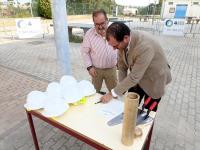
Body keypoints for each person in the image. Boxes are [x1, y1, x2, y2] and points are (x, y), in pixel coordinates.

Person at [100, 22, 172, 111]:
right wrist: (121, 91)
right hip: (138, 76)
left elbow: (134, 77)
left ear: (125, 38)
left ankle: (147, 122)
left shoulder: (144, 46)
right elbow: (122, 67)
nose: (114, 49)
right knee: (130, 107)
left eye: (115, 46)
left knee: (147, 114)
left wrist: (112, 93)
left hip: (154, 80)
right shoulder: (122, 43)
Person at [81, 9, 117, 94]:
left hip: (111, 69)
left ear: (107, 21)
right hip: (96, 70)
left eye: (102, 23)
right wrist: (89, 67)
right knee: (93, 93)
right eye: (97, 24)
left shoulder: (115, 31)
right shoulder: (89, 34)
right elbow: (84, 52)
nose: (100, 27)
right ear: (93, 23)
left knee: (115, 94)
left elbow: (121, 47)